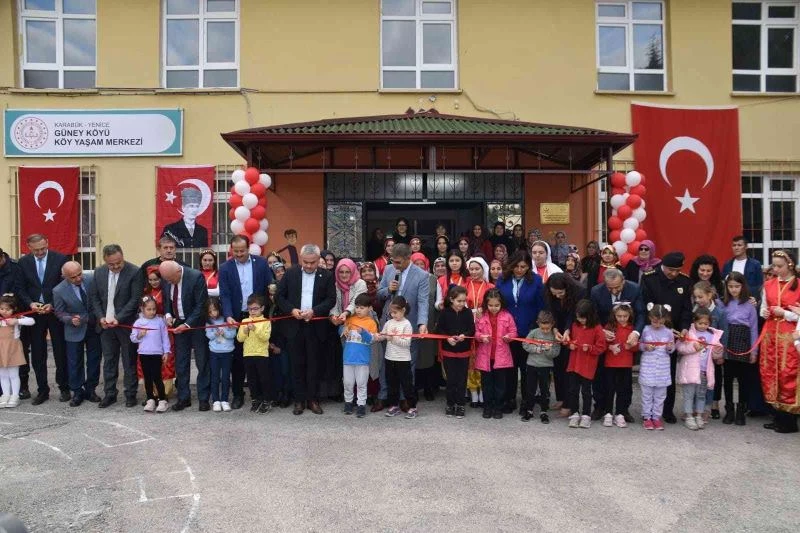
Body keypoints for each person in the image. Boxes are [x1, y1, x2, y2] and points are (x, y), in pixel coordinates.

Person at [277, 244, 336, 416]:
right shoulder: (291, 273)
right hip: (295, 326)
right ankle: (299, 400)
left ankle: (313, 399)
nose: (309, 266)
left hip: (316, 326)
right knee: (297, 364)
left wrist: (315, 311)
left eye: (313, 262)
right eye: (306, 262)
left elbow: (331, 299)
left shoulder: (326, 275)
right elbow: (280, 296)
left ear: (319, 260)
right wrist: (292, 310)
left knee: (314, 364)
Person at [218, 235, 273, 409]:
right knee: (238, 359)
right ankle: (238, 395)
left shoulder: (261, 263)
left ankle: (264, 396)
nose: (239, 254)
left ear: (248, 249)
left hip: (258, 316)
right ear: (231, 250)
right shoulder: (225, 268)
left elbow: (268, 286)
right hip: (237, 317)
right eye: (236, 251)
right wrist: (227, 315)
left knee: (260, 357)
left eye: (242, 251)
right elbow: (225, 294)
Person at [374, 244, 429, 412]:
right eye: (393, 261)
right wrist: (388, 290)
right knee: (386, 362)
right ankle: (384, 397)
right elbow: (379, 293)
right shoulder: (389, 270)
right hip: (389, 323)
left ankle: (405, 398)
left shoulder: (422, 275)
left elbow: (423, 301)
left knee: (408, 364)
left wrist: (422, 324)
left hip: (408, 325)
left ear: (408, 258)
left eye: (398, 262)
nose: (395, 265)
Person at [641, 251, 694, 424]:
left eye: (677, 270)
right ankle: (648, 411)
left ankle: (667, 410)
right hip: (653, 329)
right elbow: (645, 305)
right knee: (650, 373)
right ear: (663, 266)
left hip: (673, 333)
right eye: (670, 270)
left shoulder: (684, 281)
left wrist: (685, 328)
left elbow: (687, 308)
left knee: (668, 372)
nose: (673, 274)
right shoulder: (650, 278)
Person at [16, 233, 68, 404]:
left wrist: (52, 303)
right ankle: (42, 390)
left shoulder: (60, 259)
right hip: (35, 314)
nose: (40, 252)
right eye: (36, 250)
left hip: (54, 312)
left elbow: (64, 285)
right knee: (38, 353)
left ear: (47, 243)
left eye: (43, 249)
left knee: (60, 351)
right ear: (28, 247)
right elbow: (20, 288)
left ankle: (64, 388)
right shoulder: (23, 263)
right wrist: (30, 303)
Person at [89, 244, 142, 408]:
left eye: (118, 262)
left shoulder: (134, 271)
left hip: (125, 324)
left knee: (129, 360)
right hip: (105, 326)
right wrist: (101, 317)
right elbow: (95, 298)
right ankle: (110, 394)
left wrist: (119, 318)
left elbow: (134, 300)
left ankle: (130, 394)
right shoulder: (99, 272)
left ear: (122, 256)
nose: (116, 266)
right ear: (105, 261)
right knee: (109, 361)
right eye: (111, 264)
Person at [590, 268, 645, 421]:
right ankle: (600, 407)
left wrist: (636, 332)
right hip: (604, 339)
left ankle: (623, 410)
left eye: (617, 287)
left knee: (625, 380)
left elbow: (641, 313)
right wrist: (601, 331)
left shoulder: (634, 289)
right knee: (601, 376)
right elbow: (592, 316)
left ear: (624, 281)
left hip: (626, 338)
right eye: (610, 288)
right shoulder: (596, 291)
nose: (614, 291)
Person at [495, 250, 544, 414]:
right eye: (516, 266)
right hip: (507, 332)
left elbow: (541, 306)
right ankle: (509, 399)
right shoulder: (502, 280)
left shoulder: (536, 281)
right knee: (509, 367)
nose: (519, 270)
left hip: (528, 331)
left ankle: (526, 401)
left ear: (529, 266)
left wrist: (535, 328)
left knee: (526, 369)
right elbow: (497, 303)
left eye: (523, 266)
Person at [160, 260, 210, 412]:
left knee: (202, 362)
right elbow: (167, 300)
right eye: (166, 280)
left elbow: (201, 305)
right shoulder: (167, 278)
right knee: (181, 363)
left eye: (170, 279)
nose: (168, 282)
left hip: (196, 325)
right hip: (177, 324)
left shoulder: (195, 277)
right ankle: (184, 397)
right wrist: (168, 315)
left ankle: (203, 398)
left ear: (178, 272)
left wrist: (187, 324)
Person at [760, 250, 800, 434]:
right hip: (770, 335)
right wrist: (766, 313)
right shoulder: (768, 284)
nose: (775, 269)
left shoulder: (798, 285)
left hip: (789, 337)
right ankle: (777, 416)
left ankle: (789, 419)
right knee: (771, 372)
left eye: (779, 266)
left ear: (790, 265)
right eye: (774, 265)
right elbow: (763, 308)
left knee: (787, 373)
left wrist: (784, 313)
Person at [53, 261, 101, 407]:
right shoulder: (58, 290)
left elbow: (99, 300)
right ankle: (77, 391)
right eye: (73, 277)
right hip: (74, 330)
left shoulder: (91, 279)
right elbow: (59, 312)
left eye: (79, 274)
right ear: (64, 276)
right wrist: (69, 319)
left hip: (93, 326)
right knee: (74, 362)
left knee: (94, 360)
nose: (78, 278)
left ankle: (91, 389)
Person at [721, 272, 759, 426]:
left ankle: (741, 411)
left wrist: (753, 350)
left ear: (743, 286)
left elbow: (754, 329)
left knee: (743, 380)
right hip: (728, 341)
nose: (734, 289)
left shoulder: (750, 305)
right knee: (728, 378)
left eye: (737, 286)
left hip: (744, 343)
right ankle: (729, 410)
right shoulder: (722, 303)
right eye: (730, 286)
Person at [546, 273, 586, 417]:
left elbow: (575, 314)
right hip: (557, 329)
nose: (557, 296)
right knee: (557, 365)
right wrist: (555, 329)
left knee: (569, 368)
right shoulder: (550, 293)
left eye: (560, 293)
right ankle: (561, 398)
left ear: (567, 289)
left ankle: (569, 404)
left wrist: (568, 330)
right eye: (554, 293)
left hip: (574, 328)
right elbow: (551, 311)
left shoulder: (579, 291)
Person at [676, 308, 723, 431]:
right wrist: (693, 348)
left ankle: (699, 415)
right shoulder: (689, 333)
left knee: (701, 395)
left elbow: (715, 354)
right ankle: (689, 416)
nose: (702, 326)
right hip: (690, 370)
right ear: (694, 322)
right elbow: (680, 347)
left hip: (704, 371)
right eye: (700, 323)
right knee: (689, 395)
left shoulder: (713, 335)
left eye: (706, 324)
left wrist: (718, 353)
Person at [474, 288, 517, 420]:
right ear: (486, 304)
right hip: (485, 356)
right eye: (491, 305)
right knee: (486, 384)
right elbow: (475, 332)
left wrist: (509, 336)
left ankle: (498, 407)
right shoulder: (481, 316)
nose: (493, 308)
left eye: (496, 305)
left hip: (501, 357)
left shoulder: (507, 316)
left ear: (501, 304)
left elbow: (514, 332)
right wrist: (481, 337)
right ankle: (487, 406)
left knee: (500, 385)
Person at [565, 299, 606, 429]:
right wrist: (569, 345)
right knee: (573, 390)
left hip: (587, 366)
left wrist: (590, 348)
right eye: (579, 317)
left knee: (586, 392)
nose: (581, 320)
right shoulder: (574, 325)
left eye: (583, 318)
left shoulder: (597, 328)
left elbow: (601, 347)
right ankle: (574, 413)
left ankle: (586, 415)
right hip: (573, 364)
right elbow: (569, 341)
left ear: (590, 315)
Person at [375, 295, 418, 419]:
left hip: (403, 360)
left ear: (403, 310)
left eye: (395, 312)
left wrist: (393, 339)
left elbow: (406, 343)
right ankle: (393, 405)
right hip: (390, 358)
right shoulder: (389, 322)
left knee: (407, 384)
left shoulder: (407, 324)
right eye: (391, 312)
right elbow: (384, 334)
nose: (393, 315)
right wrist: (379, 336)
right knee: (391, 383)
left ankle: (412, 407)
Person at [436, 285, 475, 419]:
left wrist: (465, 335)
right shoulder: (445, 313)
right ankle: (450, 403)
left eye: (464, 301)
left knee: (462, 379)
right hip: (449, 351)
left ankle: (461, 404)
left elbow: (472, 330)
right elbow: (438, 330)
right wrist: (447, 338)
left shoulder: (468, 312)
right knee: (451, 379)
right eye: (459, 301)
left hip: (464, 351)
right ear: (451, 299)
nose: (462, 304)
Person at [693, 280, 728, 421]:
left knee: (712, 381)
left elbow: (724, 333)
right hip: (698, 354)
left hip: (713, 355)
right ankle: (696, 407)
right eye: (695, 297)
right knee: (697, 380)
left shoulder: (719, 312)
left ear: (710, 295)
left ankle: (710, 406)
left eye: (700, 297)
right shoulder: (695, 310)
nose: (697, 300)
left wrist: (721, 354)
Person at [130, 296, 171, 413]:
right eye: (149, 309)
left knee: (157, 377)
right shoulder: (138, 322)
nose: (152, 311)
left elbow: (165, 337)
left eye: (154, 309)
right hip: (144, 354)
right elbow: (133, 338)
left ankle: (162, 400)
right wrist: (139, 335)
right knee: (147, 378)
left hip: (157, 354)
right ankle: (150, 399)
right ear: (142, 309)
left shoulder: (160, 321)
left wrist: (166, 352)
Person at [639, 303, 676, 431]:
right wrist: (645, 347)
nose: (657, 325)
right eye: (655, 322)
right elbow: (640, 345)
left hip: (662, 368)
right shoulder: (645, 330)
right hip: (648, 367)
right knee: (647, 394)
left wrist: (670, 348)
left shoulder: (668, 332)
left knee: (660, 395)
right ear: (650, 318)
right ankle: (646, 417)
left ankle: (656, 417)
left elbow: (672, 348)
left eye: (660, 322)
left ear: (665, 320)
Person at [340, 293, 377, 418]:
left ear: (369, 308)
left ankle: (361, 405)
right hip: (348, 359)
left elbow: (371, 340)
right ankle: (348, 403)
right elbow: (341, 330)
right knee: (348, 383)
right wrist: (343, 330)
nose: (358, 310)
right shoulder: (350, 319)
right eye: (357, 307)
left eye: (362, 308)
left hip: (362, 360)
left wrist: (364, 333)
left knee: (361, 383)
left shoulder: (371, 322)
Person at [140, 266, 176, 398]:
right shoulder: (145, 292)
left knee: (165, 359)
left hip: (163, 329)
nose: (153, 282)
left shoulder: (167, 291)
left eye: (156, 279)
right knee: (147, 359)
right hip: (148, 330)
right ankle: (151, 393)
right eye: (150, 280)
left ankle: (164, 392)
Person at [521, 310, 560, 423]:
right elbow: (525, 343)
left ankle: (544, 411)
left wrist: (549, 350)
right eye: (543, 328)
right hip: (532, 364)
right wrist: (535, 349)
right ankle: (529, 410)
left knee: (544, 390)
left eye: (547, 328)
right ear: (538, 323)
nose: (545, 331)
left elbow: (556, 352)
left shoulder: (554, 335)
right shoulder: (534, 332)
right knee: (530, 389)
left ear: (552, 324)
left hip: (545, 366)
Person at [602, 303, 637, 428]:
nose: (622, 319)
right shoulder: (609, 327)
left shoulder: (632, 329)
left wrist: (631, 346)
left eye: (625, 316)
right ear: (614, 316)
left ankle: (620, 413)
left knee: (623, 390)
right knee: (609, 389)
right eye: (619, 316)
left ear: (629, 316)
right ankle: (608, 413)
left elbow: (637, 346)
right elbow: (602, 344)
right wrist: (610, 347)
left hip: (625, 364)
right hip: (610, 364)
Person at [236, 294, 272, 414]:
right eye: (250, 309)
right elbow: (239, 339)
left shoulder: (265, 321)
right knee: (252, 379)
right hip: (248, 354)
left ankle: (267, 400)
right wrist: (245, 331)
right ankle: (255, 399)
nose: (252, 311)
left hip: (261, 354)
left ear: (262, 308)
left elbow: (265, 337)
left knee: (264, 378)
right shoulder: (244, 321)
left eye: (255, 308)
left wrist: (255, 329)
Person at [465, 256, 493, 407]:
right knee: (471, 360)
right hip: (469, 326)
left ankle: (483, 392)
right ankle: (473, 392)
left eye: (477, 269)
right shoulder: (465, 284)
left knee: (483, 358)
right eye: (472, 269)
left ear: (483, 269)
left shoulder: (490, 286)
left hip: (484, 326)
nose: (474, 272)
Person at [0, 294, 34, 408]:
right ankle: (5, 395)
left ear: (14, 309)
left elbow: (31, 321)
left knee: (13, 374)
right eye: (2, 309)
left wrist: (16, 322)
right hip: (1, 349)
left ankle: (15, 395)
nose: (4, 311)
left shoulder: (17, 318)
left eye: (7, 309)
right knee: (2, 374)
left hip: (13, 348)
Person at [414, 253, 440, 401]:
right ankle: (415, 388)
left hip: (429, 322)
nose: (419, 267)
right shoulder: (408, 277)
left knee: (428, 356)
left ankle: (428, 387)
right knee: (414, 355)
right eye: (415, 264)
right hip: (412, 321)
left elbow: (437, 301)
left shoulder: (433, 279)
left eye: (421, 264)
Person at [205, 296, 236, 412]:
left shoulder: (227, 319)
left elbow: (232, 334)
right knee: (215, 377)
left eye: (215, 310)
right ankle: (216, 401)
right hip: (214, 352)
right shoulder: (209, 322)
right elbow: (208, 335)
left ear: (220, 308)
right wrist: (216, 334)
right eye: (210, 311)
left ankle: (225, 400)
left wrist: (225, 333)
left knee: (226, 377)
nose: (213, 313)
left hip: (227, 352)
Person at [330, 258, 367, 325]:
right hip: (343, 323)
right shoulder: (336, 285)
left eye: (347, 272)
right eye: (341, 272)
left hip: (360, 322)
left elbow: (356, 302)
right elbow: (334, 303)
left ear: (352, 271)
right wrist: (333, 316)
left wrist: (346, 313)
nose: (344, 275)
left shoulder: (360, 283)